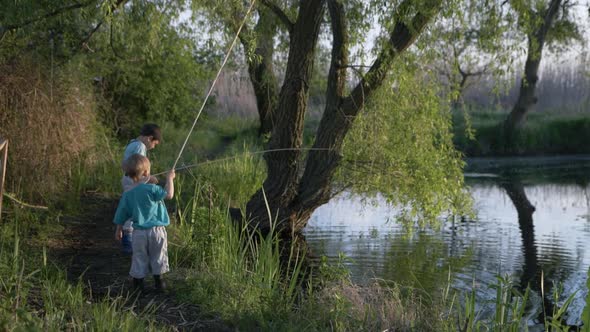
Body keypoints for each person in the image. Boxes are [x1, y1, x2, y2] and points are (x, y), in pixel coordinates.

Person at [114, 154, 175, 292]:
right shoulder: (152, 189)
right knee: (158, 255)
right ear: (147, 173)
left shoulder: (128, 194)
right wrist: (169, 178)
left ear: (129, 175)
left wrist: (119, 229)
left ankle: (138, 287)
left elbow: (121, 213)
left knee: (139, 257)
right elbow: (169, 194)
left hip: (139, 233)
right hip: (157, 231)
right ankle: (160, 284)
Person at [120, 124, 162, 253]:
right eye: (154, 144)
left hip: (128, 179)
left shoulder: (133, 143)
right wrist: (149, 179)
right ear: (149, 138)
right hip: (133, 181)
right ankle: (129, 242)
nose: (153, 147)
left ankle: (128, 240)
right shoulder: (140, 146)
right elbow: (138, 167)